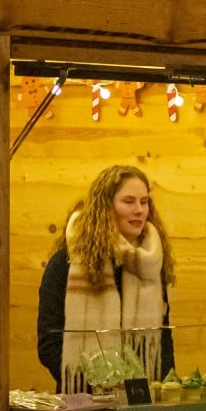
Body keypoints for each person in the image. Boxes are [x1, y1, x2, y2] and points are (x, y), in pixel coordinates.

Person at [36, 164, 175, 391]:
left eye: (144, 201)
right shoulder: (65, 262)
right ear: (106, 207)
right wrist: (97, 383)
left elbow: (164, 342)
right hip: (82, 402)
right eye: (128, 202)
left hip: (140, 402)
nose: (139, 210)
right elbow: (49, 343)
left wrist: (164, 388)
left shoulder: (150, 266)